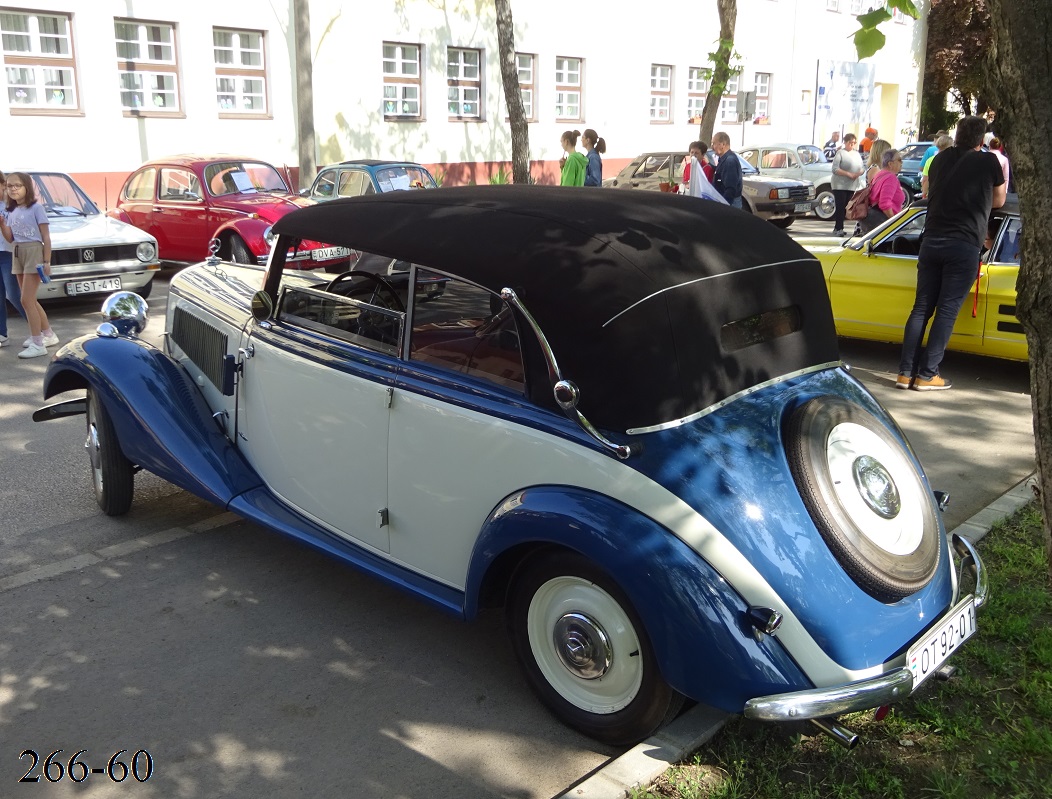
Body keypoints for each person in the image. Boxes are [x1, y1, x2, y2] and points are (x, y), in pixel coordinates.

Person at [897, 116, 1006, 391]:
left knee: (921, 307)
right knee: (946, 310)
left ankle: (904, 373)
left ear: (956, 136)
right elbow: (1000, 200)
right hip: (965, 242)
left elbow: (933, 189)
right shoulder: (989, 161)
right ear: (980, 140)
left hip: (931, 239)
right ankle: (927, 374)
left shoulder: (940, 159)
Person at [0, 172, 58, 359]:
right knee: (30, 300)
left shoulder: (36, 208)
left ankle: (37, 342)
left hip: (33, 252)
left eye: (17, 185)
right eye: (9, 186)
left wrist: (47, 261)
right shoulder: (11, 210)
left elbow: (46, 237)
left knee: (25, 300)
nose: (13, 189)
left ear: (27, 187)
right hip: (17, 252)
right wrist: (2, 223)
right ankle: (47, 334)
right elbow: (10, 238)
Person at [0, 171, 27, 349]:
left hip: (9, 253)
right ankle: (2, 334)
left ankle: (40, 330)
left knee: (15, 295)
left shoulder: (11, 204)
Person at [860, 149, 905, 233]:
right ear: (890, 164)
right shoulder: (890, 178)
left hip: (872, 219)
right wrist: (894, 222)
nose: (901, 162)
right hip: (881, 221)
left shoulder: (880, 174)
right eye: (899, 160)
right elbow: (884, 203)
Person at [829, 132, 864, 236]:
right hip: (840, 185)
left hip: (852, 185)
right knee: (840, 206)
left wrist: (857, 173)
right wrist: (848, 174)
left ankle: (840, 226)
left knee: (847, 207)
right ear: (845, 142)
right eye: (850, 142)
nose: (852, 145)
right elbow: (835, 169)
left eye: (854, 143)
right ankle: (838, 228)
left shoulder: (857, 154)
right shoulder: (840, 153)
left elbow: (862, 168)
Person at [710, 131, 742, 208]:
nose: (712, 147)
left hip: (729, 203)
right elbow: (721, 174)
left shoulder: (729, 161)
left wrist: (724, 207)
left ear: (723, 144)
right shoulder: (725, 159)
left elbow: (730, 188)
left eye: (714, 143)